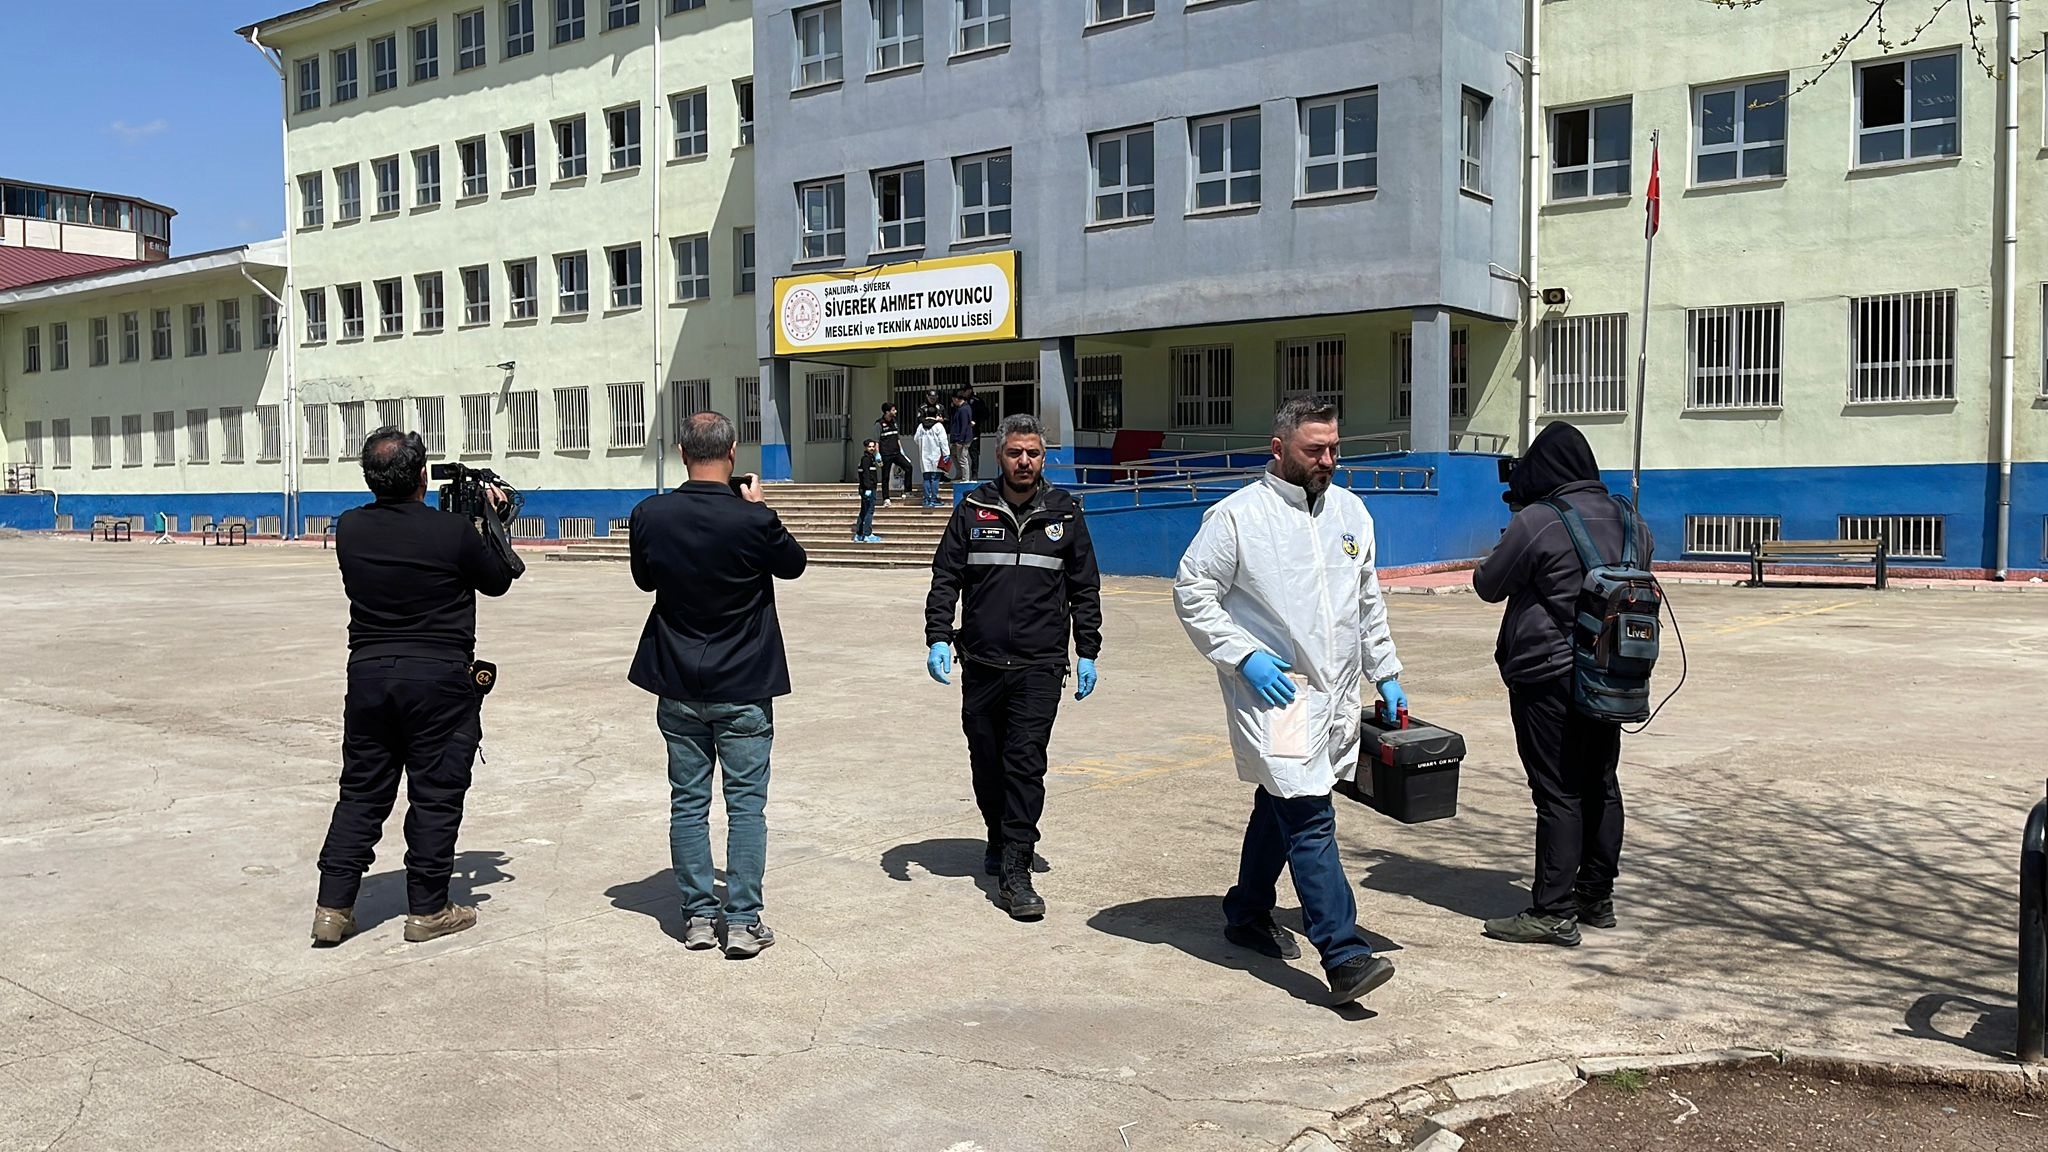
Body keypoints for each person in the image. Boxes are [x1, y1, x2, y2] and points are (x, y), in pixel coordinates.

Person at [1172, 398, 1405, 1005]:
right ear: (1278, 449)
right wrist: (1241, 655)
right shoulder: (1238, 518)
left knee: (1280, 800)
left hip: (1338, 691)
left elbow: (1367, 601)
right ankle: (1345, 954)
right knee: (1307, 812)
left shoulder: (1351, 513)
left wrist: (1386, 673)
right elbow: (1193, 591)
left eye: (1334, 449)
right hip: (1280, 694)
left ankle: (1247, 912)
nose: (1327, 460)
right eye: (1314, 450)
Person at [312, 427, 524, 948]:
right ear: (423, 475)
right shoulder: (452, 532)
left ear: (369, 477)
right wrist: (489, 519)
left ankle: (332, 907)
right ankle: (428, 910)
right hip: (438, 680)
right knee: (435, 795)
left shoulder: (350, 527)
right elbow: (498, 580)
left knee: (361, 792)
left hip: (369, 676)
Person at [628, 412, 808, 959]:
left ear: (683, 453)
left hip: (678, 679)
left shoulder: (649, 514)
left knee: (688, 803)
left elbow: (644, 580)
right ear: (732, 453)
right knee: (746, 806)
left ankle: (699, 917)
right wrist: (759, 510)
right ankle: (744, 920)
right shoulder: (752, 520)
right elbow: (794, 565)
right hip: (744, 681)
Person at [1472, 422, 1653, 947]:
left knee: (1557, 790)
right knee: (1601, 782)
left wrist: (1517, 526)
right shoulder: (1631, 519)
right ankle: (1595, 896)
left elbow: (1487, 584)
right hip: (1610, 674)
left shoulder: (1539, 520)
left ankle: (1552, 910)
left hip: (1546, 674)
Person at [924, 414, 1103, 920]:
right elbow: (946, 577)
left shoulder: (1065, 513)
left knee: (1025, 762)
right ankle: (997, 833)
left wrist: (1088, 650)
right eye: (1014, 452)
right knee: (987, 762)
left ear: (1044, 458)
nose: (1024, 461)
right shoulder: (972, 509)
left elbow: (1084, 587)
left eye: (1033, 453)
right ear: (999, 456)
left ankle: (1016, 868)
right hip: (981, 662)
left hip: (1039, 665)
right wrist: (938, 636)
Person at [875, 404, 916, 505]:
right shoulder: (879, 424)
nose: (895, 411)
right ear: (887, 412)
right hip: (886, 454)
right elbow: (876, 441)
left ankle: (908, 491)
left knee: (908, 467)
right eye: (893, 410)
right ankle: (886, 498)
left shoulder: (894, 422)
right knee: (885, 476)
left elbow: (897, 438)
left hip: (896, 452)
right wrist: (877, 454)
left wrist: (902, 451)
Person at [915, 407, 950, 508]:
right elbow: (943, 441)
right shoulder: (938, 426)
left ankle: (926, 500)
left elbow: (916, 439)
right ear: (937, 415)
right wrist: (946, 454)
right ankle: (934, 499)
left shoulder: (921, 426)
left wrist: (923, 444)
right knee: (935, 478)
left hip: (924, 456)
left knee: (926, 478)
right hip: (936, 455)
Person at [854, 438, 883, 544]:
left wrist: (878, 456)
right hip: (868, 488)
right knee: (869, 511)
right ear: (866, 447)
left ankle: (859, 534)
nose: (872, 448)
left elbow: (881, 465)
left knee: (863, 511)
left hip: (867, 488)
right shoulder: (866, 459)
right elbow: (865, 475)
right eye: (869, 447)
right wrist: (868, 488)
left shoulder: (872, 458)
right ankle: (867, 534)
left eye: (873, 446)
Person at [947, 391, 976, 483]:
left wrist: (961, 440)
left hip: (963, 439)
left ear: (956, 399)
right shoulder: (959, 408)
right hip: (957, 438)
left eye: (953, 399)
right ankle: (959, 474)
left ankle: (965, 478)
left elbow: (964, 426)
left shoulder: (964, 409)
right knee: (953, 454)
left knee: (962, 458)